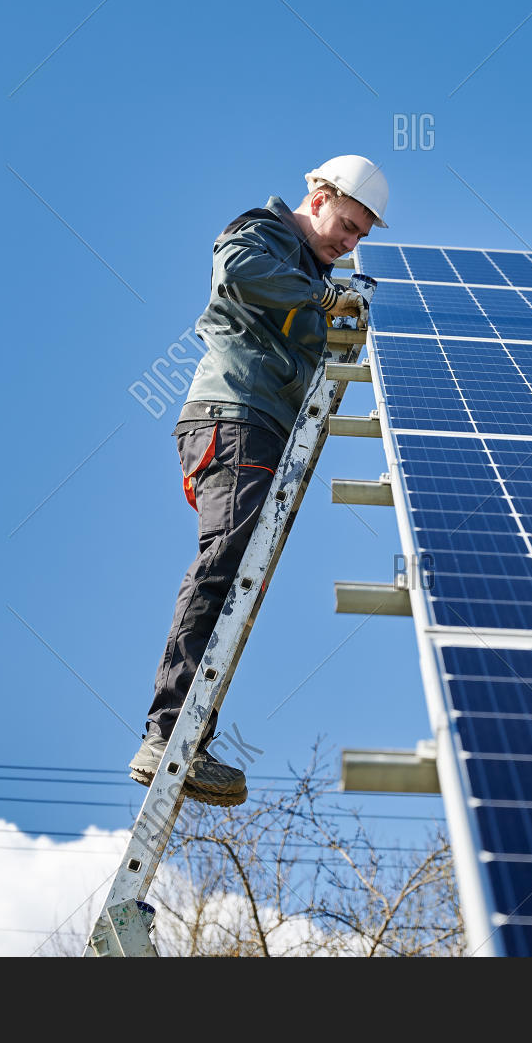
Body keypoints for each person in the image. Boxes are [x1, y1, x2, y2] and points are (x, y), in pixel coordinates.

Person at [128, 155, 389, 806]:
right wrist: (324, 298)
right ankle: (167, 736)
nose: (349, 242)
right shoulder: (264, 232)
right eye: (346, 225)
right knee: (227, 563)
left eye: (360, 236)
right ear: (319, 197)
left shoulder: (316, 277)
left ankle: (191, 736)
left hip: (269, 427)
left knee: (245, 577)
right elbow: (237, 269)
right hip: (235, 414)